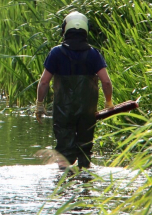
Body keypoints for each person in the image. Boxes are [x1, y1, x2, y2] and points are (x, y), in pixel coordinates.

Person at [35, 11, 113, 169]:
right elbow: (105, 81)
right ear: (85, 30)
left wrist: (39, 104)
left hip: (63, 112)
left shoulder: (56, 53)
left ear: (65, 29)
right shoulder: (93, 54)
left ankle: (64, 186)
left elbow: (44, 82)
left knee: (64, 154)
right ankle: (84, 186)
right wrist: (109, 102)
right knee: (85, 151)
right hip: (87, 112)